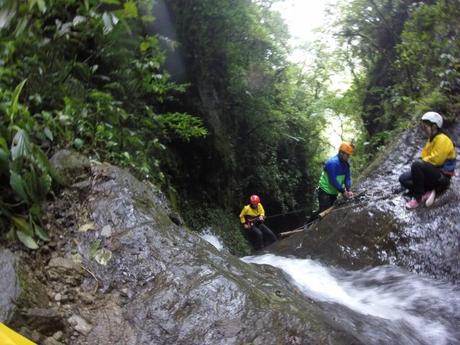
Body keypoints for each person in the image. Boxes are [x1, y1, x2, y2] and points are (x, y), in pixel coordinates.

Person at [399, 111, 456, 209]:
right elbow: (425, 156)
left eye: (425, 127)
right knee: (403, 179)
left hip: (442, 177)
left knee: (417, 165)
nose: (423, 129)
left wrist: (419, 164)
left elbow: (436, 160)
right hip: (433, 173)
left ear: (434, 127)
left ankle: (418, 198)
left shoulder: (443, 139)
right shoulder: (431, 139)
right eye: (423, 127)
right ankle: (428, 190)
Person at [317, 142, 354, 212]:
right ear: (341, 153)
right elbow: (333, 180)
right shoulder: (332, 163)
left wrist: (348, 190)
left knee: (330, 210)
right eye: (347, 155)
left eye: (349, 155)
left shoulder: (346, 165)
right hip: (325, 192)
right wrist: (343, 191)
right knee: (324, 212)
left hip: (334, 193)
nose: (349, 157)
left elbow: (347, 178)